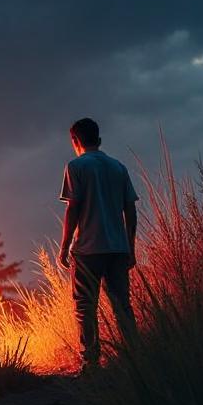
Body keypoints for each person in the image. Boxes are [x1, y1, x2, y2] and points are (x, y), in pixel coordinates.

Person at [57, 117, 138, 373]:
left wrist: (65, 245)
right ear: (99, 139)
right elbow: (130, 210)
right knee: (122, 305)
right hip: (118, 248)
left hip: (88, 249)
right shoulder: (118, 167)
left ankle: (90, 363)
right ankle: (136, 358)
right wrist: (130, 247)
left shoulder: (76, 166)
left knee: (85, 305)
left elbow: (73, 208)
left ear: (75, 140)